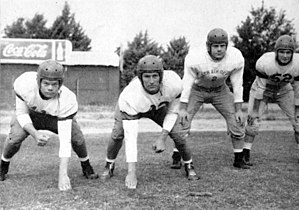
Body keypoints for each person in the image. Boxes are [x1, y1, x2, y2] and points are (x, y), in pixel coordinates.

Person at [100, 55, 199, 189]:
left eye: (155, 76)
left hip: (157, 107)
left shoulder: (174, 84)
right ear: (140, 78)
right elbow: (131, 138)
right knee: (118, 134)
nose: (151, 81)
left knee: (178, 133)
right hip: (134, 107)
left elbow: (173, 111)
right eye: (147, 76)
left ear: (161, 76)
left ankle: (188, 164)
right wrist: (131, 173)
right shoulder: (131, 95)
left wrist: (162, 137)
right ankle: (109, 164)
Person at [0, 60, 99, 191]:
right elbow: (22, 113)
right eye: (46, 83)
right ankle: (3, 164)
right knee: (15, 136)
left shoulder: (67, 98)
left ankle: (86, 165)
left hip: (56, 117)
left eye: (54, 84)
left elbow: (65, 141)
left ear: (60, 83)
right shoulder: (24, 84)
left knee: (76, 138)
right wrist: (34, 133)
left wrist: (63, 175)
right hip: (31, 114)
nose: (50, 88)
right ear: (38, 81)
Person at [176, 27, 249, 169]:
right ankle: (176, 155)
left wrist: (239, 109)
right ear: (208, 46)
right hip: (197, 90)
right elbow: (187, 83)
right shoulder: (195, 58)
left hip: (220, 90)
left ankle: (239, 158)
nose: (220, 49)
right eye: (216, 46)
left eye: (222, 46)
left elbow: (237, 83)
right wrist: (183, 108)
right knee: (182, 121)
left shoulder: (235, 57)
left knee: (237, 119)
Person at [243, 35, 299, 166]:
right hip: (263, 90)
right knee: (253, 120)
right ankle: (245, 153)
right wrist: (254, 111)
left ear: (293, 53)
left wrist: (298, 110)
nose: (285, 56)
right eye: (282, 52)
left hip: (284, 90)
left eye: (288, 52)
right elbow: (260, 88)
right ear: (276, 52)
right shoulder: (266, 62)